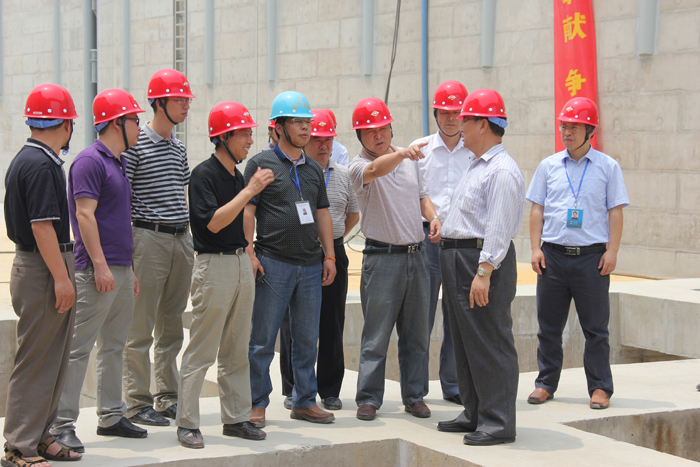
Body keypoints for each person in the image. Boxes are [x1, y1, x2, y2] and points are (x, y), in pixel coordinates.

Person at [51, 89, 147, 453]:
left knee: (114, 346)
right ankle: (61, 425)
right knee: (78, 349)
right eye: (135, 120)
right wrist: (101, 266)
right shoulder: (89, 161)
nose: (139, 127)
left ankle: (110, 415)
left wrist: (128, 269)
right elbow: (84, 215)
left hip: (119, 269)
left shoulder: (118, 162)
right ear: (117, 122)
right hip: (96, 272)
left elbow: (116, 221)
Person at [175, 102, 274, 448]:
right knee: (202, 348)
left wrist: (249, 253)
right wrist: (250, 191)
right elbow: (213, 222)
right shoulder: (203, 175)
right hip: (213, 265)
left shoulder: (236, 176)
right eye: (244, 133)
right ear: (224, 136)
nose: (250, 139)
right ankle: (187, 422)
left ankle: (235, 418)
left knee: (237, 348)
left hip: (239, 261)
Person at [526, 97, 629, 410]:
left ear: (590, 130)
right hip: (553, 257)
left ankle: (600, 388)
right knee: (548, 327)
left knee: (595, 329)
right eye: (564, 126)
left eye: (574, 127)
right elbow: (537, 209)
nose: (566, 132)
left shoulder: (608, 167)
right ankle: (545, 383)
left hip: (591, 259)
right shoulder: (548, 166)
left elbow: (615, 212)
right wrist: (535, 248)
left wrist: (612, 251)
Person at [436, 89, 524, 446]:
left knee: (489, 341)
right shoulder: (477, 164)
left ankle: (498, 421)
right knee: (465, 340)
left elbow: (498, 228)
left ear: (483, 125)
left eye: (466, 120)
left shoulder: (501, 171)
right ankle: (474, 411)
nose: (460, 126)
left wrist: (484, 272)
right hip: (459, 258)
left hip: (480, 261)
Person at [245, 91, 337, 427]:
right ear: (279, 127)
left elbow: (322, 213)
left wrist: (329, 255)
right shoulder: (260, 164)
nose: (305, 128)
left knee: (307, 339)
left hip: (311, 266)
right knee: (263, 340)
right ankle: (256, 403)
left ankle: (304, 401)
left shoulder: (313, 168)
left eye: (307, 122)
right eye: (297, 122)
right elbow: (248, 210)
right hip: (273, 264)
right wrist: (249, 252)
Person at [3, 83, 81, 466]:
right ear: (66, 124)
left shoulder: (35, 159)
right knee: (36, 358)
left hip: (45, 264)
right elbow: (42, 226)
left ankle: (39, 434)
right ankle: (19, 445)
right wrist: (62, 278)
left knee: (53, 357)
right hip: (43, 267)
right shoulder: (38, 164)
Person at [348, 97, 440, 422]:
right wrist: (401, 154)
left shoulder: (409, 159)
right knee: (376, 335)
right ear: (359, 136)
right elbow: (376, 169)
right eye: (370, 131)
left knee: (417, 333)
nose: (378, 135)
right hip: (382, 258)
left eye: (383, 128)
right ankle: (368, 398)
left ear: (391, 127)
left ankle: (414, 395)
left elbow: (422, 196)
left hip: (417, 256)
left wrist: (433, 217)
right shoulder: (358, 167)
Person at [122, 69, 195, 427]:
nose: (186, 105)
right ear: (159, 103)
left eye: (187, 100)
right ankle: (136, 402)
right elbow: (121, 201)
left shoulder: (179, 148)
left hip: (182, 239)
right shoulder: (135, 146)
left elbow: (182, 193)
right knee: (140, 325)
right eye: (179, 99)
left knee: (172, 325)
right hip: (148, 238)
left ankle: (167, 396)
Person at [279, 109, 360, 411]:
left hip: (333, 253)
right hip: (298, 253)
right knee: (293, 324)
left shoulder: (344, 174)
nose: (323, 145)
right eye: (317, 139)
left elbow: (353, 214)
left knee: (332, 322)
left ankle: (329, 389)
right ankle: (293, 387)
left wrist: (332, 243)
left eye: (328, 139)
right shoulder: (294, 172)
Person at [411, 80, 471, 405]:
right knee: (421, 316)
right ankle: (416, 391)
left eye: (457, 112)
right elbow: (412, 195)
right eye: (445, 112)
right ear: (435, 114)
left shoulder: (476, 150)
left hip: (463, 242)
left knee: (457, 317)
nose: (451, 118)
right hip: (427, 241)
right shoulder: (419, 150)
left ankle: (454, 385)